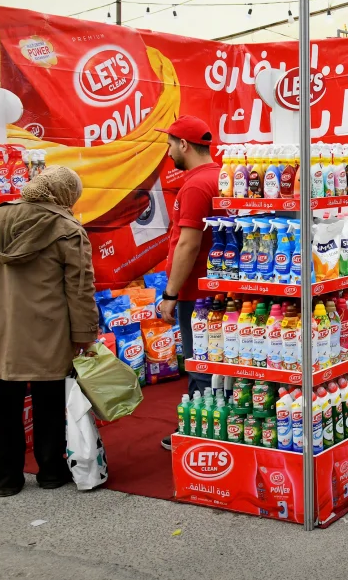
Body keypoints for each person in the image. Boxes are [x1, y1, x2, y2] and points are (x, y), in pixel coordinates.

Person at [0, 166, 97, 496]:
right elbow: (79, 289)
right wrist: (84, 335)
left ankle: (5, 478)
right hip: (47, 331)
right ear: (64, 195)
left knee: (0, 406)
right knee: (48, 404)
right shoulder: (67, 229)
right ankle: (51, 472)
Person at [156, 115, 221, 450]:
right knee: (215, 361)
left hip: (196, 292)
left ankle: (199, 432)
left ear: (184, 144)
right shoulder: (221, 176)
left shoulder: (195, 186)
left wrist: (170, 293)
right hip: (217, 289)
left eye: (170, 144)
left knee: (200, 363)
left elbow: (188, 244)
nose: (168, 152)